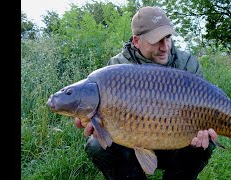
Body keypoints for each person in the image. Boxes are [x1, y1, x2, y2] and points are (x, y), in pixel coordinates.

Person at [74, 6, 218, 180]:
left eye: (168, 37)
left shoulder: (186, 63)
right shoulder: (117, 66)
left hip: (177, 139)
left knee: (204, 144)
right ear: (136, 41)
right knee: (97, 145)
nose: (165, 47)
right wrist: (100, 125)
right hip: (132, 141)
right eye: (156, 40)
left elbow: (206, 105)